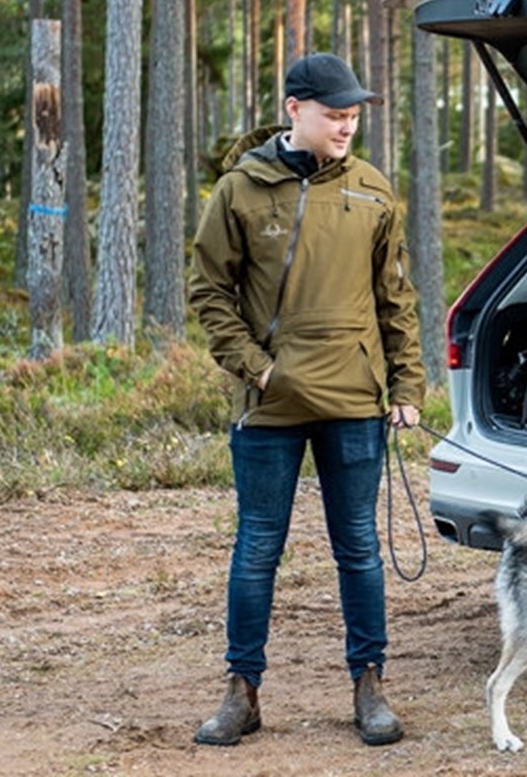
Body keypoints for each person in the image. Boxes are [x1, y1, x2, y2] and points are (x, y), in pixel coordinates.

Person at [189, 52, 425, 747]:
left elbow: (397, 300)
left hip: (355, 400)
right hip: (270, 406)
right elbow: (208, 292)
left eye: (354, 116)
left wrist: (406, 386)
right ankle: (242, 692)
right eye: (335, 115)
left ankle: (369, 687)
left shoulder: (374, 191)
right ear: (295, 109)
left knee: (358, 549)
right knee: (257, 549)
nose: (347, 127)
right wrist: (257, 370)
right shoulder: (241, 190)